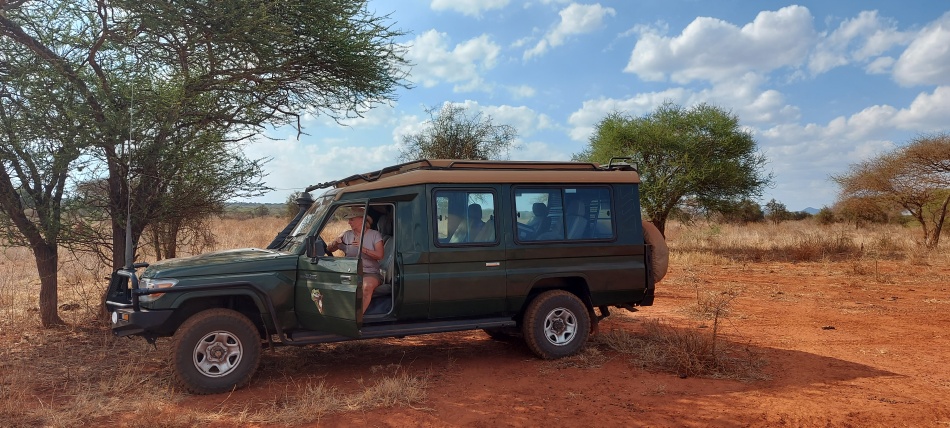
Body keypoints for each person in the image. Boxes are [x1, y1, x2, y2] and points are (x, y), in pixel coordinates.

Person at [326, 207, 384, 315]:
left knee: (366, 287)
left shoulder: (374, 235)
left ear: (362, 219)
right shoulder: (347, 235)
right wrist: (335, 243)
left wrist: (363, 249)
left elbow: (380, 255)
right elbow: (329, 249)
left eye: (351, 219)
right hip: (350, 271)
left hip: (370, 273)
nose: (349, 222)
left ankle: (356, 318)